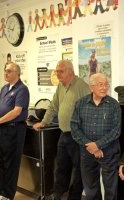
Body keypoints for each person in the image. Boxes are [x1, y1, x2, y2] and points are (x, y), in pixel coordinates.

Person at [33, 60, 90, 200]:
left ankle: (74, 197)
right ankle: (57, 193)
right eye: (56, 71)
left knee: (78, 170)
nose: (58, 74)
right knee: (61, 167)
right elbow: (53, 106)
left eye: (61, 71)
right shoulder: (60, 86)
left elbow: (90, 110)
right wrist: (44, 121)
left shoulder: (81, 86)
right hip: (64, 133)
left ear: (70, 71)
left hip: (78, 135)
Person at [71, 73, 121, 200]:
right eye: (100, 85)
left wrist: (97, 145)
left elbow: (116, 130)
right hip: (87, 152)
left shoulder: (114, 105)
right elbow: (75, 128)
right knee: (90, 187)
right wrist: (90, 146)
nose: (104, 88)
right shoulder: (81, 103)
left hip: (109, 152)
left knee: (111, 187)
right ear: (91, 87)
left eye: (106, 85)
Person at [0, 62, 30, 200]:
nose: (5, 73)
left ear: (17, 73)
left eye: (9, 71)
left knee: (11, 163)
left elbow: (16, 112)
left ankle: (7, 195)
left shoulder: (22, 89)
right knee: (1, 161)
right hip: (1, 130)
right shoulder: (5, 88)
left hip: (14, 130)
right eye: (5, 70)